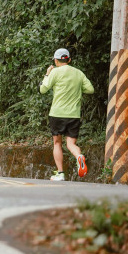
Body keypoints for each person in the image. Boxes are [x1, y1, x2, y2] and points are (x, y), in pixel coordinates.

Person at [39, 48, 94, 181]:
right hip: (74, 115)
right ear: (69, 60)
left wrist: (47, 74)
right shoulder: (78, 73)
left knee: (57, 143)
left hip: (57, 114)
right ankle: (79, 156)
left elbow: (43, 89)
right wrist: (77, 89)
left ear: (56, 61)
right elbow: (90, 89)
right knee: (71, 144)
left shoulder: (55, 72)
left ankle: (60, 173)